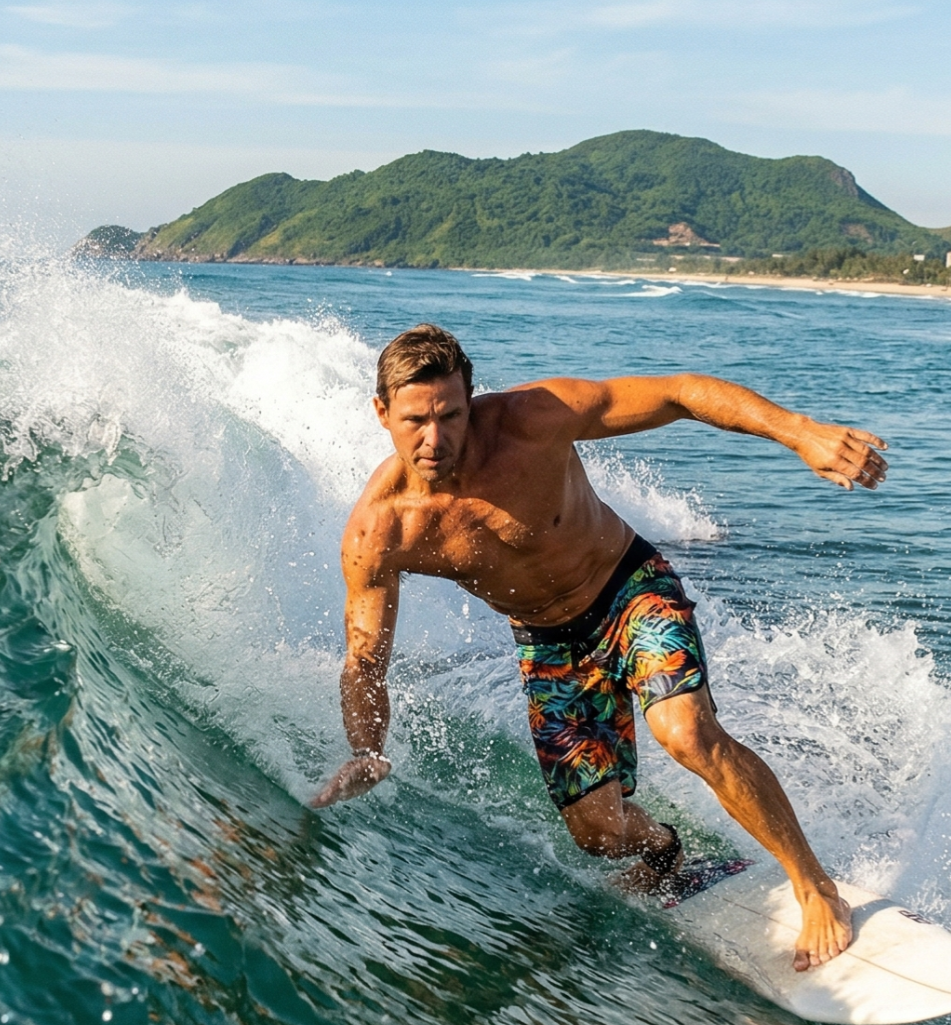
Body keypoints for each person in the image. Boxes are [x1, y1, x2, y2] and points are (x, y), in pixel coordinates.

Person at [308, 324, 888, 970]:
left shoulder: (534, 420)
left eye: (450, 414)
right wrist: (366, 746)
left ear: (471, 399)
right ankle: (666, 848)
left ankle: (815, 886)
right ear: (382, 413)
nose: (435, 438)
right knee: (597, 832)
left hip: (626, 587)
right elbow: (364, 657)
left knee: (686, 732)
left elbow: (678, 393)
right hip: (549, 643)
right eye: (416, 419)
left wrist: (799, 431)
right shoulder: (381, 530)